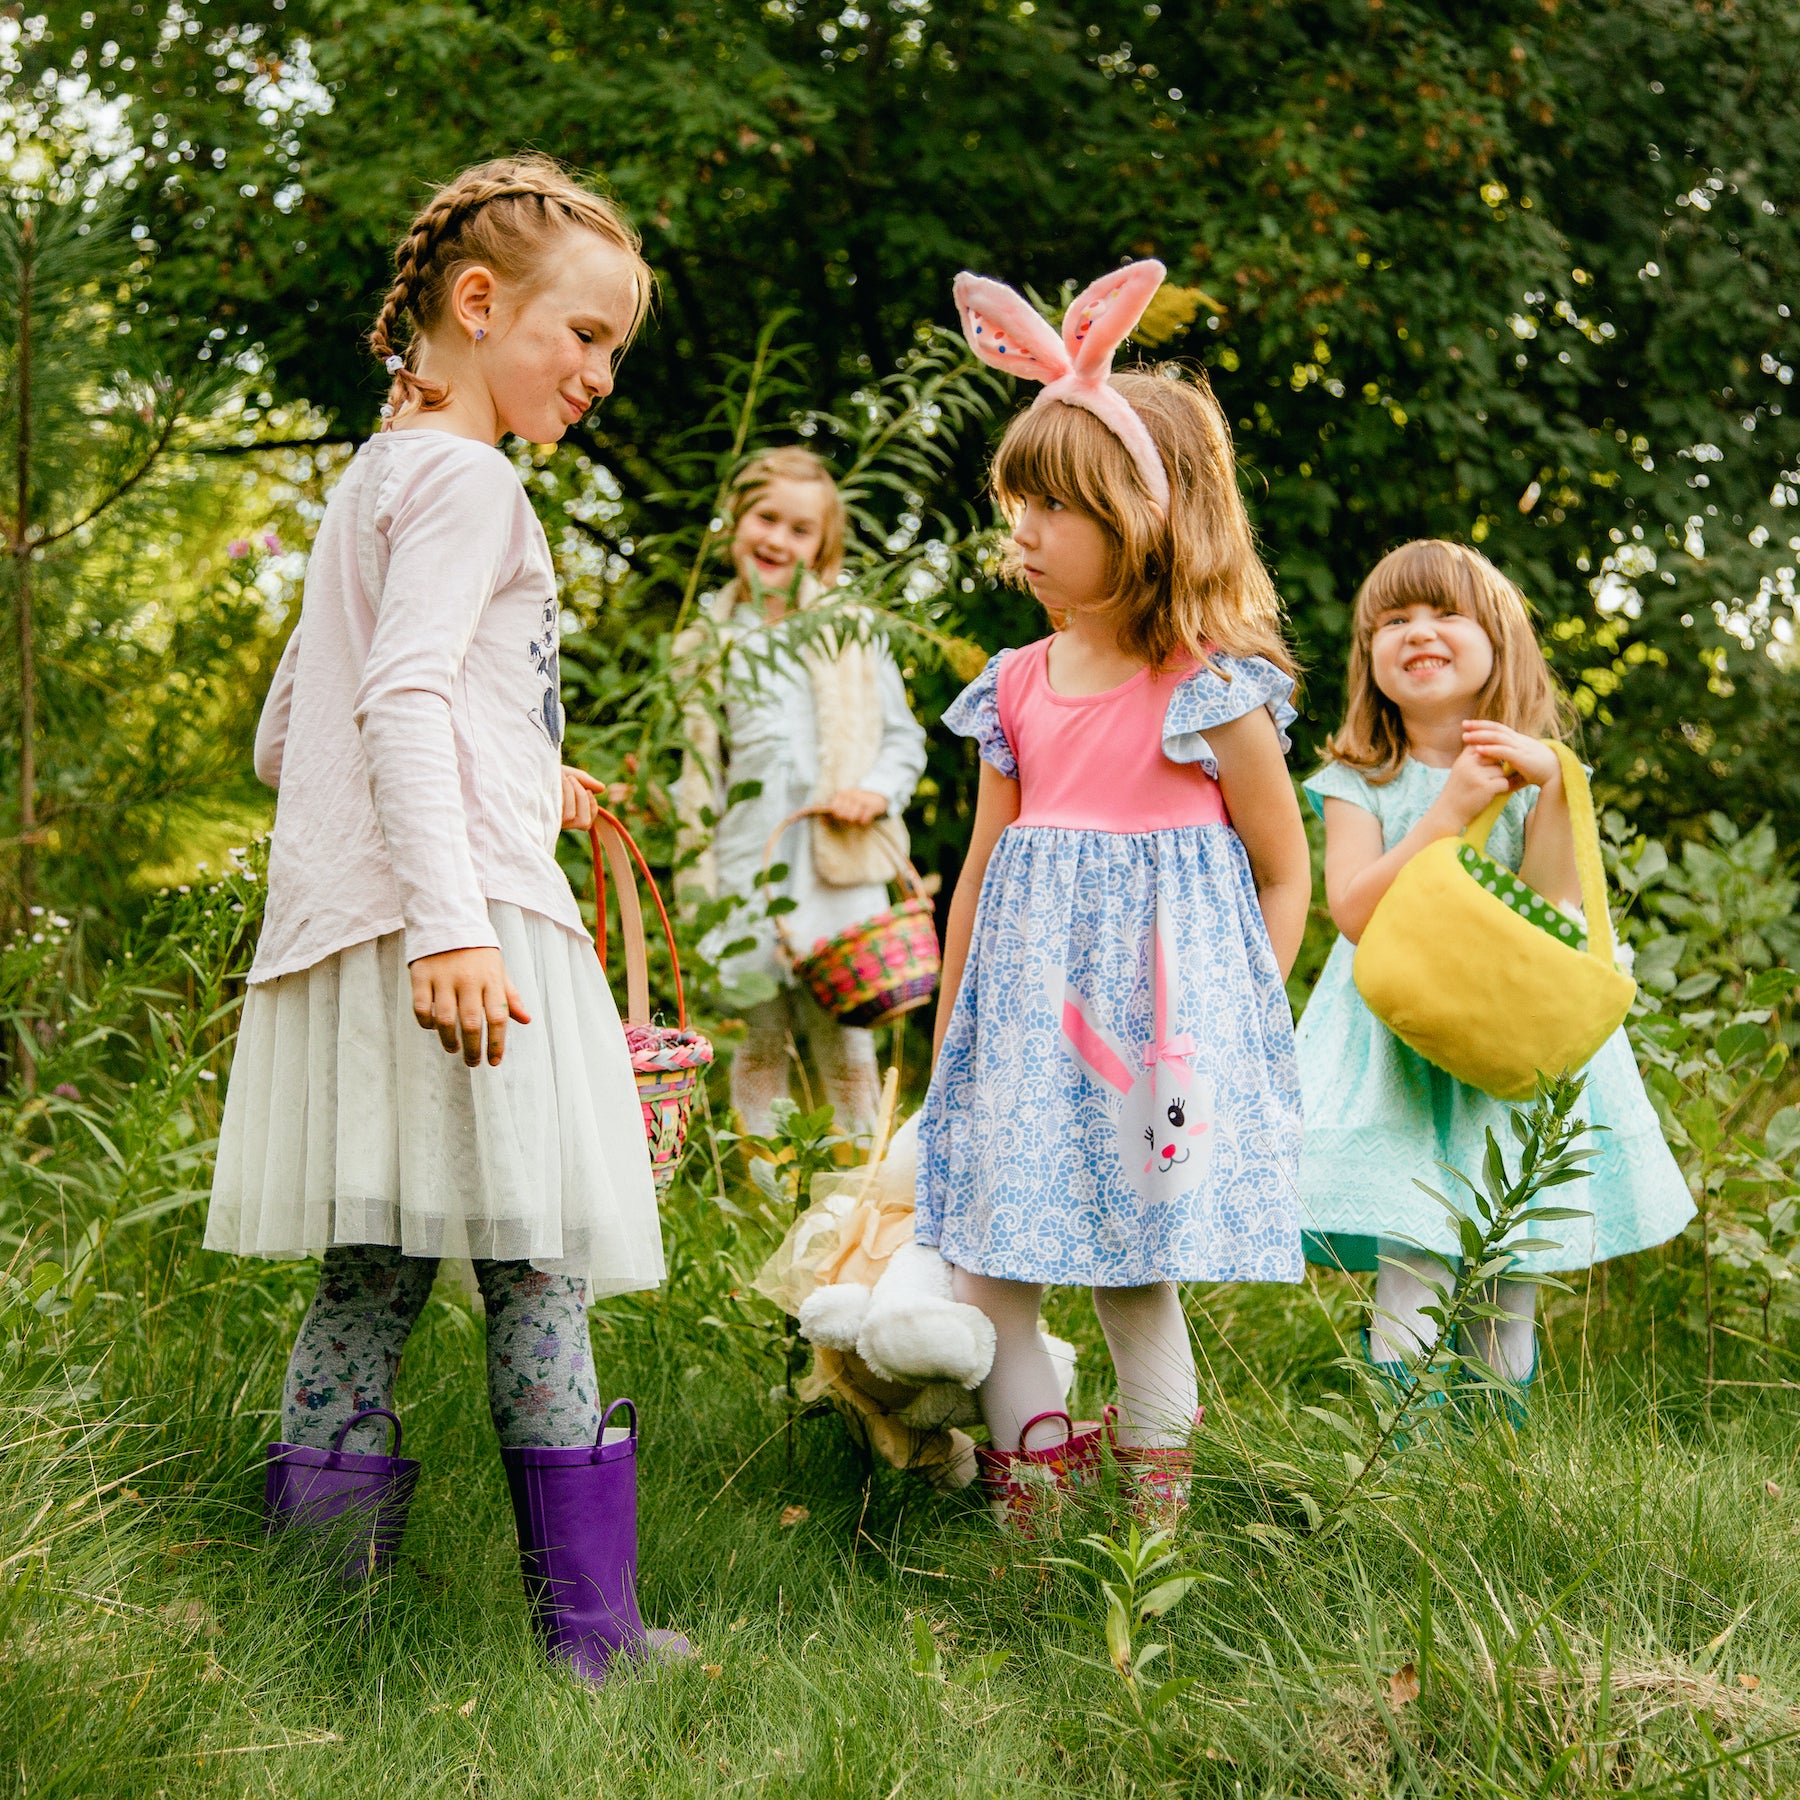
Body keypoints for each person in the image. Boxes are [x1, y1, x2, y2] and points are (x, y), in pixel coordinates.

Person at [204, 156, 683, 1676]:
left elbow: (291, 735)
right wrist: (457, 926)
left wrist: (526, 770)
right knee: (535, 1262)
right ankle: (592, 1638)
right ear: (479, 304)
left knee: (371, 1275)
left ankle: (314, 1628)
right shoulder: (472, 482)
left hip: (361, 936)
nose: (600, 375)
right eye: (585, 336)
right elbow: (401, 699)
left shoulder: (374, 479)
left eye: (613, 349)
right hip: (460, 936)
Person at [916, 262, 1311, 1527]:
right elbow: (980, 875)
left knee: (1136, 1283)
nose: (1023, 535)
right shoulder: (1015, 686)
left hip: (1155, 1058)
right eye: (1016, 505)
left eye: (1052, 508)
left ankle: (1149, 1528)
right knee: (989, 1272)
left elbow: (1282, 867)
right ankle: (1034, 1512)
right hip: (1025, 1043)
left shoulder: (1209, 693)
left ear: (1146, 515)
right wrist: (951, 1037)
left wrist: (1235, 1030)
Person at [1296, 539, 1693, 1413]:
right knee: (1414, 1246)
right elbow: (1355, 913)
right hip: (1398, 1045)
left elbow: (1554, 908)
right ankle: (1403, 1447)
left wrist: (1551, 788)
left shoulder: (1541, 771)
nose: (1418, 632)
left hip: (1503, 1040)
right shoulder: (1360, 780)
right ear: (1369, 656)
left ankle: (1494, 1451)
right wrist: (1448, 812)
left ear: (1499, 641)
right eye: (1393, 620)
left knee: (1509, 1260)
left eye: (1446, 614)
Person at [676, 447, 927, 1145]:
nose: (778, 540)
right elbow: (699, 769)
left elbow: (903, 740)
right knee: (757, 1040)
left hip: (834, 866)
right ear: (736, 520)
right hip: (748, 865)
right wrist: (699, 873)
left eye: (800, 530)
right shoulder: (705, 642)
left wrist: (873, 791)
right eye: (766, 518)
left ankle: (857, 1184)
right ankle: (766, 1186)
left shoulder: (850, 630)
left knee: (847, 1043)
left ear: (822, 546)